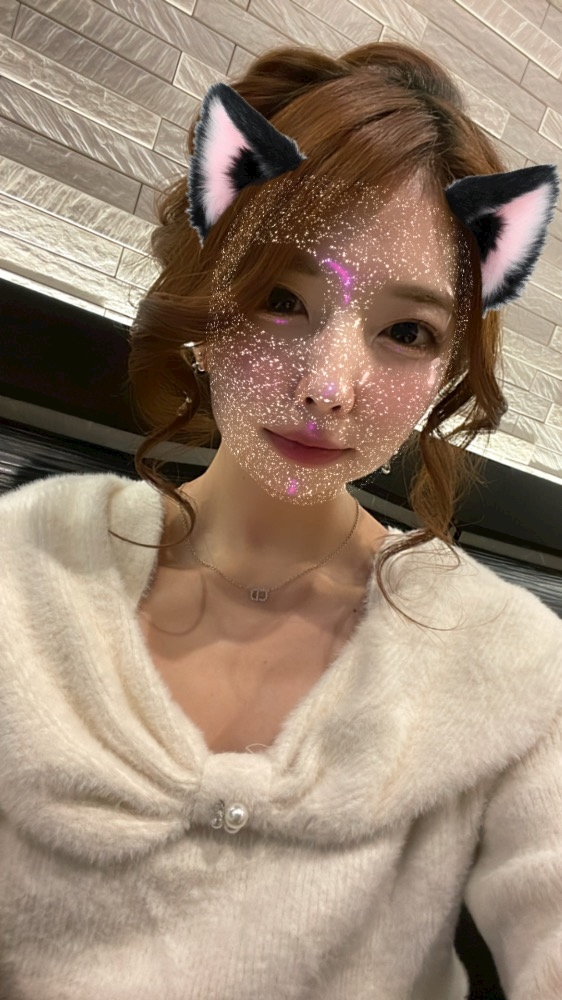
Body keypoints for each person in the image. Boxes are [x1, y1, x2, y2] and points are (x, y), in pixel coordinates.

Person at [0, 39, 561, 1000]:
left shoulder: (507, 656)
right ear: (208, 294)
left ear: (448, 368)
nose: (328, 388)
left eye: (407, 331)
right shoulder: (33, 555)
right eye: (279, 298)